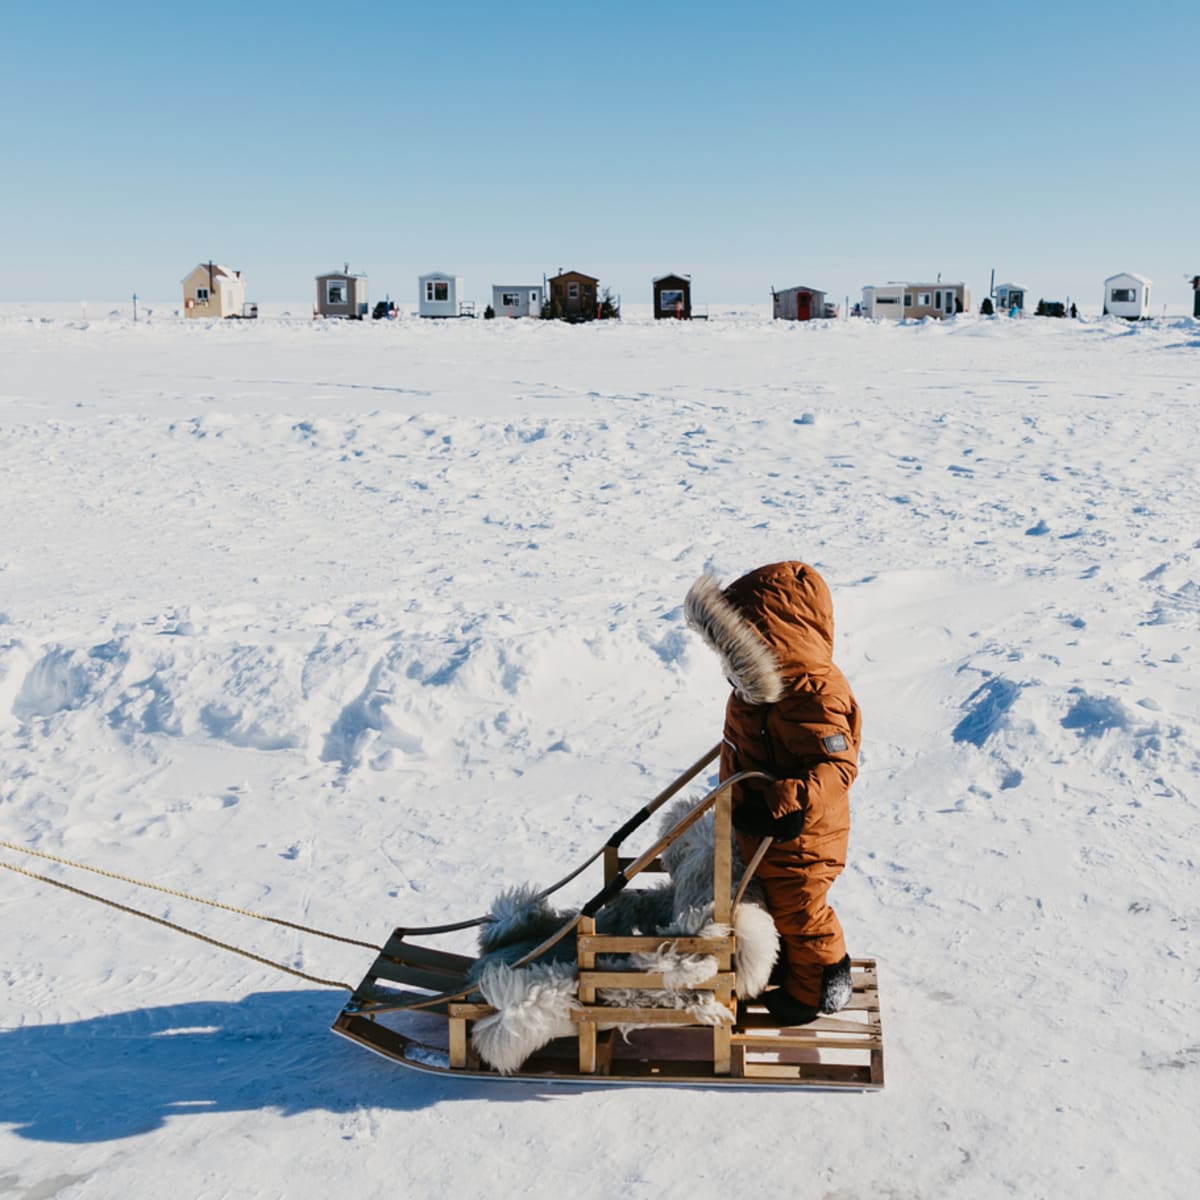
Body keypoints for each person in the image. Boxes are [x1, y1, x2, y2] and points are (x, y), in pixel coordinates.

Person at [685, 561, 861, 1024]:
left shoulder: (816, 694)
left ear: (776, 646)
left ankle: (820, 986)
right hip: (756, 826)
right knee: (770, 904)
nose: (731, 667)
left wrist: (788, 801)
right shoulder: (749, 693)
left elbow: (836, 767)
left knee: (800, 909)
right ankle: (785, 968)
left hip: (803, 832)